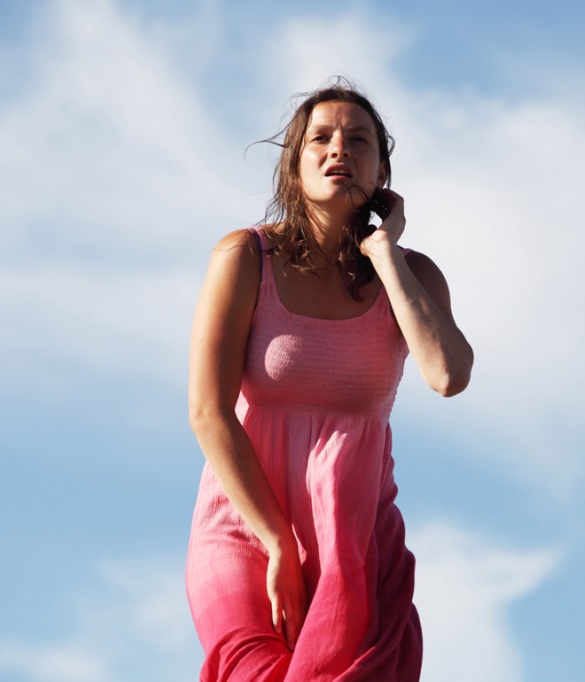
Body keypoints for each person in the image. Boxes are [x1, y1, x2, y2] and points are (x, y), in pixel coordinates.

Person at [185, 80, 474, 681]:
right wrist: (279, 542)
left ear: (382, 169)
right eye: (321, 138)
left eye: (359, 140)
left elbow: (447, 375)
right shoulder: (245, 259)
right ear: (295, 166)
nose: (339, 148)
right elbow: (208, 413)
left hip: (360, 546)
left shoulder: (410, 275)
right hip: (245, 533)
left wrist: (385, 254)